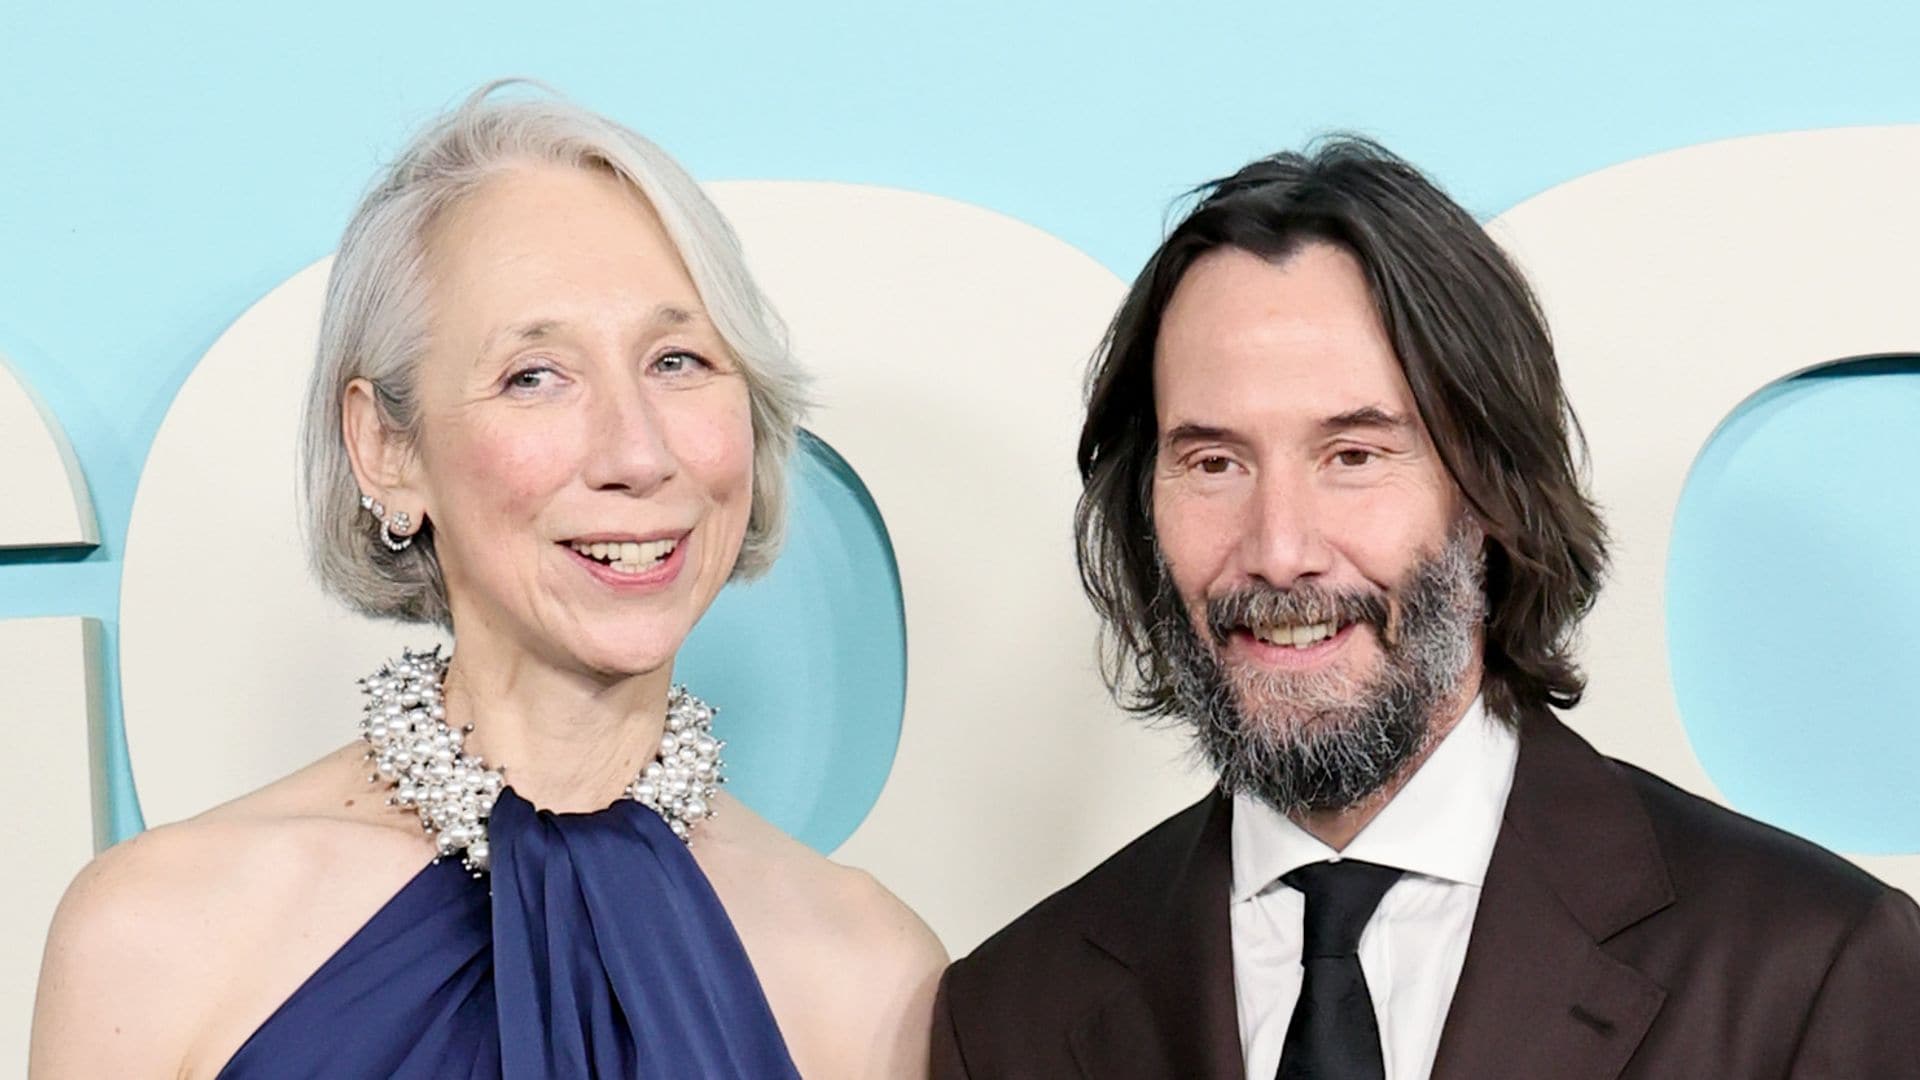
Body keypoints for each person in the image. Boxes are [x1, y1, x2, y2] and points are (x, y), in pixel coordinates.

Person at [930, 138, 1920, 1079]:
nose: (1279, 549)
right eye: (1215, 462)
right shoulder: (1011, 1014)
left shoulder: (1805, 972)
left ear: (1488, 491)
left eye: (1353, 456)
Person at [30, 84, 944, 1079]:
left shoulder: (874, 978)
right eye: (534, 376)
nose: (636, 453)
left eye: (678, 360)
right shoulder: (155, 935)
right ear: (387, 447)